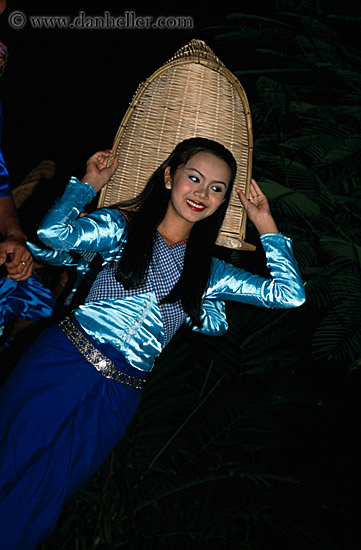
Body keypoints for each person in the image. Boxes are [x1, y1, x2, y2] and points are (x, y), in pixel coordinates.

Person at [0, 137, 306, 549]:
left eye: (217, 188)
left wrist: (265, 223)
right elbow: (53, 233)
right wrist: (88, 183)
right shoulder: (121, 227)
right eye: (193, 178)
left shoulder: (209, 271)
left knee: (43, 498)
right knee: (7, 454)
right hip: (63, 359)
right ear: (168, 177)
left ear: (223, 202)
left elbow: (290, 294)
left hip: (118, 396)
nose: (202, 192)